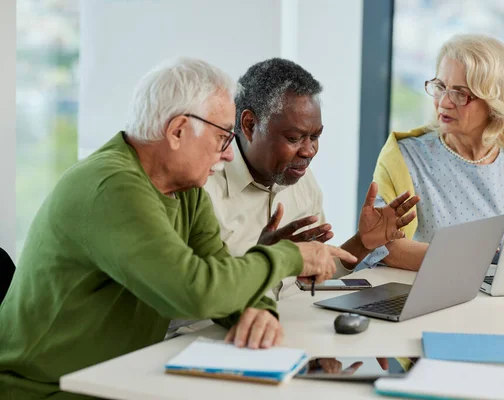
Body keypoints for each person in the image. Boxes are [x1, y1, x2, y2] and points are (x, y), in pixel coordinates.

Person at [0, 58, 358, 399]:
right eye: (223, 139)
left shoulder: (184, 189)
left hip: (124, 378)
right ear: (178, 131)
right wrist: (289, 257)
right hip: (52, 390)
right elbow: (196, 291)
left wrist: (257, 307)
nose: (230, 155)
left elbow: (218, 269)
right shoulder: (112, 187)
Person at [204, 58, 419, 299]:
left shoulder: (300, 180)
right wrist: (263, 263)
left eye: (314, 137)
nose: (309, 151)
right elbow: (200, 296)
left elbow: (313, 279)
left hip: (294, 320)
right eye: (294, 138)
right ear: (250, 124)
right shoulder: (204, 186)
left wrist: (363, 242)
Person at [373, 34, 504, 271]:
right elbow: (384, 247)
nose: (444, 103)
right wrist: (471, 258)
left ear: (495, 103)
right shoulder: (403, 158)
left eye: (460, 94)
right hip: (427, 295)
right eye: (440, 87)